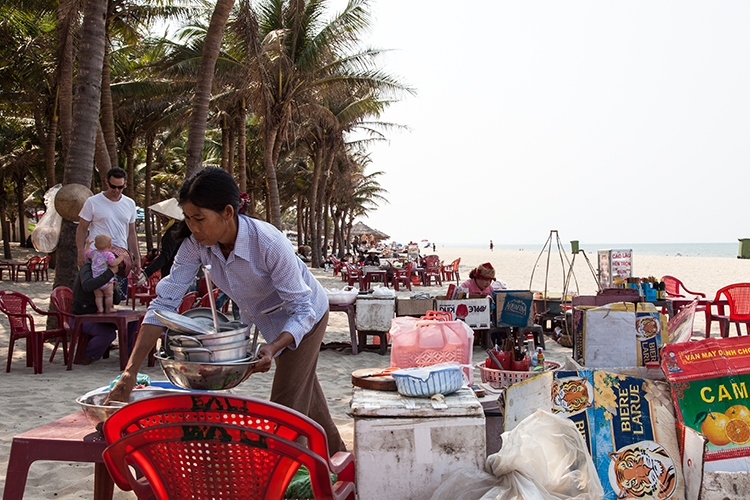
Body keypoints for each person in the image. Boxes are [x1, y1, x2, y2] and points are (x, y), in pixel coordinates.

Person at [107, 167, 346, 453]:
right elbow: (163, 305)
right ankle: (341, 461)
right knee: (308, 399)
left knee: (286, 407)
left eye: (200, 219)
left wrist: (272, 348)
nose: (194, 228)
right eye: (188, 219)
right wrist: (130, 372)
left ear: (228, 213)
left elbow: (302, 309)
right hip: (265, 321)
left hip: (305, 317)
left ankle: (288, 478)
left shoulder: (268, 243)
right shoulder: (196, 245)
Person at [77, 167, 141, 299]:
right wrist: (80, 252)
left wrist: (137, 257)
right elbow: (82, 228)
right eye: (113, 186)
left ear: (125, 184)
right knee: (95, 296)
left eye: (120, 187)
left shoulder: (129, 203)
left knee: (116, 298)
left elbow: (131, 233)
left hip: (120, 257)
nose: (116, 191)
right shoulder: (93, 202)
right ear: (106, 182)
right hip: (97, 257)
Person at [72, 250, 137, 365]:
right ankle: (86, 355)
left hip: (101, 315)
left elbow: (116, 300)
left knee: (133, 320)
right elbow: (88, 285)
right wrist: (109, 274)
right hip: (82, 316)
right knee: (107, 334)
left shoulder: (109, 273)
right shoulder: (88, 268)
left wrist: (113, 288)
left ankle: (129, 354)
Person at [134, 198, 184, 284]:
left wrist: (147, 272)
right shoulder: (180, 230)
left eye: (161, 216)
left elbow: (165, 256)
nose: (160, 218)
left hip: (173, 275)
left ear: (168, 217)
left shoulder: (172, 233)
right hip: (181, 274)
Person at [85, 234, 126, 313]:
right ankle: (108, 309)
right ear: (110, 245)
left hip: (96, 280)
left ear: (95, 245)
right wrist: (121, 257)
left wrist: (87, 245)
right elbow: (113, 263)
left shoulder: (94, 253)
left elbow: (86, 253)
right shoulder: (108, 254)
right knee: (109, 295)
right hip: (107, 281)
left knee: (98, 296)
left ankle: (100, 309)